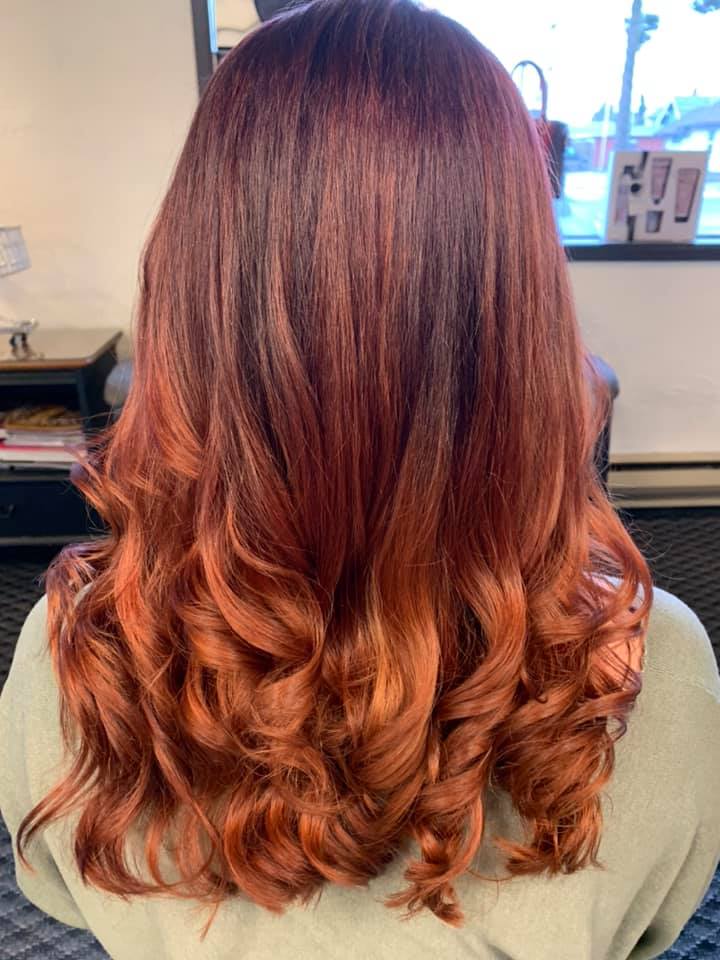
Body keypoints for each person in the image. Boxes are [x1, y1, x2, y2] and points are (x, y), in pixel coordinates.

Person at [1, 2, 719, 958]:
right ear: (523, 300)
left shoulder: (69, 654)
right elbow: (655, 926)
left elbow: (56, 890)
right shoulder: (655, 674)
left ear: (192, 282)